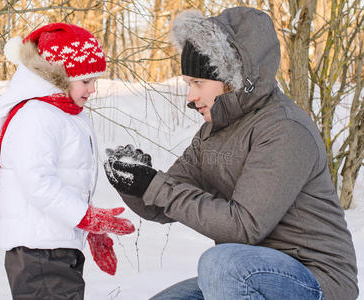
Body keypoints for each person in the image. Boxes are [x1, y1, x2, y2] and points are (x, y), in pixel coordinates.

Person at [103, 7, 359, 300]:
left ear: (231, 78)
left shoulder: (285, 129)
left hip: (315, 279)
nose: (191, 97)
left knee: (220, 262)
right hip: (247, 273)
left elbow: (243, 227)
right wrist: (136, 184)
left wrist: (156, 186)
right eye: (188, 84)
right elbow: (162, 202)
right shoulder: (214, 131)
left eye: (198, 83)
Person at [0, 23, 135, 300]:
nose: (92, 89)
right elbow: (38, 183)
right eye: (86, 80)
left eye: (95, 80)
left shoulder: (64, 114)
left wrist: (88, 227)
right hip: (39, 251)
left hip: (54, 247)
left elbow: (67, 180)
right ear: (57, 77)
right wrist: (85, 217)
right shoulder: (37, 117)